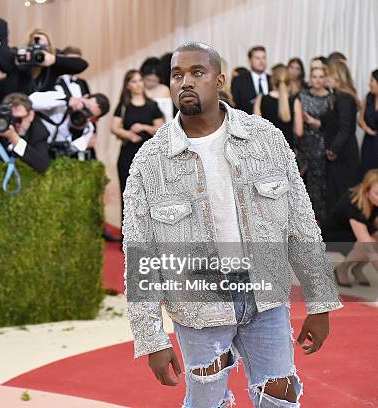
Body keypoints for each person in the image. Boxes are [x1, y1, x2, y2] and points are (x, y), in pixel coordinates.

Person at [123, 41, 341, 407]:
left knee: (280, 399)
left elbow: (302, 223)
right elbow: (139, 252)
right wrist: (152, 339)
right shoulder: (150, 160)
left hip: (266, 294)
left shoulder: (265, 139)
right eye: (177, 75)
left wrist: (320, 302)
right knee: (206, 403)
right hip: (196, 303)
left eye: (197, 72)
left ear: (219, 79)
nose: (185, 82)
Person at [111, 69, 163, 222]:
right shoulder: (123, 105)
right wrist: (128, 134)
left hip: (148, 156)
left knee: (148, 196)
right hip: (127, 154)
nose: (138, 84)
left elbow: (160, 129)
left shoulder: (152, 105)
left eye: (140, 80)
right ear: (128, 85)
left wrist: (144, 127)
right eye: (134, 81)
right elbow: (114, 127)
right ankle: (128, 238)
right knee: (128, 196)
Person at [0, 28, 88, 96]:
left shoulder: (53, 65)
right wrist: (20, 61)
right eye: (34, 47)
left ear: (50, 48)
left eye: (44, 47)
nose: (39, 51)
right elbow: (2, 58)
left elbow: (82, 65)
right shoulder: (20, 58)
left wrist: (54, 60)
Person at [0, 92, 51, 173]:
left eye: (19, 119)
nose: (16, 124)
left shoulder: (38, 131)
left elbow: (44, 165)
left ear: (31, 115)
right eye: (11, 119)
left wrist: (14, 139)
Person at [323, 170, 378, 287]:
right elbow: (366, 242)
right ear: (366, 191)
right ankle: (342, 269)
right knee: (369, 244)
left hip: (354, 232)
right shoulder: (354, 202)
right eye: (377, 193)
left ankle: (357, 268)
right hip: (333, 235)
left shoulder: (374, 201)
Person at [29, 85, 109, 160]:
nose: (83, 112)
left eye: (89, 114)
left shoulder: (87, 130)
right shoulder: (61, 98)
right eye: (85, 106)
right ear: (84, 97)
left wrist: (77, 131)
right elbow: (30, 101)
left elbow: (71, 150)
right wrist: (66, 101)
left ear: (94, 120)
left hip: (44, 156)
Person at [297, 64, 333, 224]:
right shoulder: (302, 96)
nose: (317, 80)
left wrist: (316, 122)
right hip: (305, 144)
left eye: (320, 77)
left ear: (325, 78)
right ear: (310, 79)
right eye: (314, 77)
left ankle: (321, 223)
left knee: (322, 183)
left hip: (325, 144)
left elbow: (335, 125)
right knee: (304, 183)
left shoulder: (332, 98)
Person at [323, 60, 360, 214]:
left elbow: (345, 129)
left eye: (328, 74)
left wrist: (333, 150)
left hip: (342, 155)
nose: (326, 78)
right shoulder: (339, 96)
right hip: (342, 152)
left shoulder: (343, 97)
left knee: (340, 195)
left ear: (337, 76)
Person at [253, 64, 303, 150]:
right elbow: (299, 132)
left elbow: (255, 128)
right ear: (288, 80)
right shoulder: (294, 102)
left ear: (272, 80)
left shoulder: (261, 99)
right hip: (287, 152)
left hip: (266, 151)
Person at [231, 45, 271, 114]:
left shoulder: (272, 80)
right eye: (257, 58)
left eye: (264, 58)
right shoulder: (239, 81)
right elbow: (236, 105)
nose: (261, 61)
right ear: (250, 60)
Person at [140, 57, 176, 122]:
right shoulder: (138, 89)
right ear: (142, 76)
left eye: (154, 81)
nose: (151, 83)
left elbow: (168, 115)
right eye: (148, 80)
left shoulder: (164, 90)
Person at [358, 69, 378, 175]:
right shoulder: (368, 97)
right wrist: (367, 129)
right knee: (367, 172)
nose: (369, 84)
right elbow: (360, 119)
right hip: (369, 141)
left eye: (372, 81)